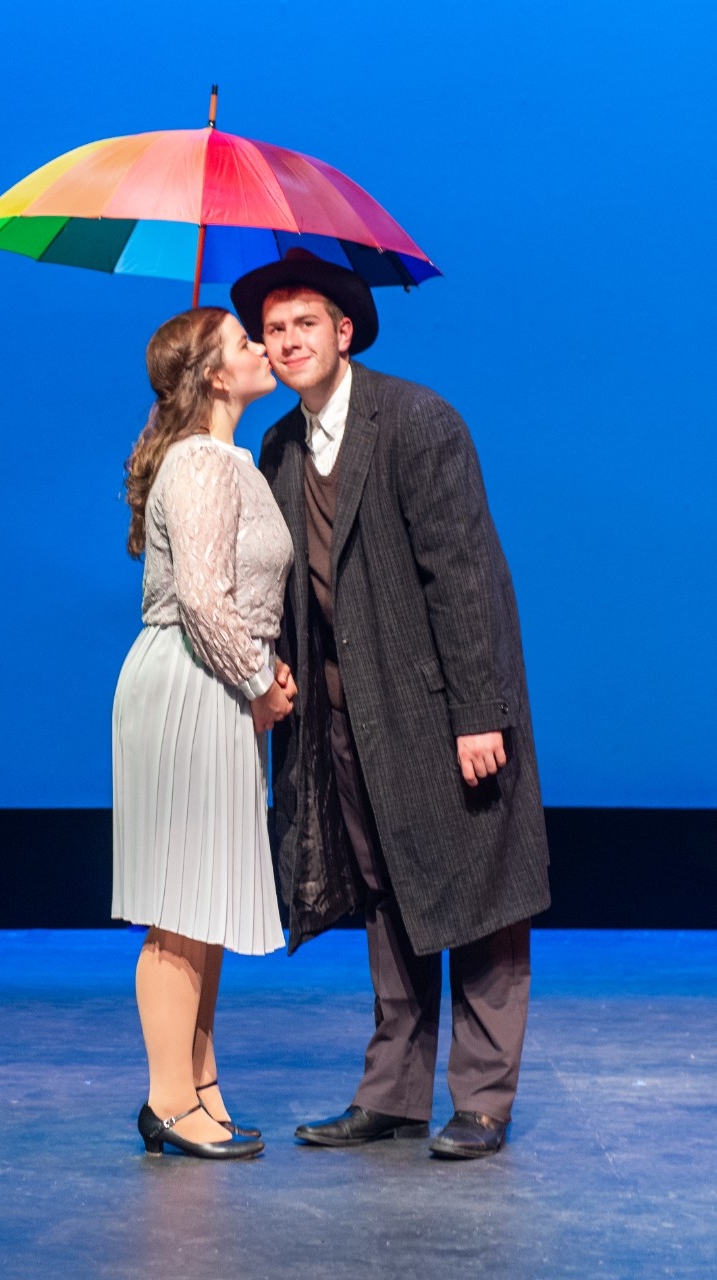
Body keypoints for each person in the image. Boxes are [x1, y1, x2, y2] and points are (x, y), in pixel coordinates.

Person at [230, 252, 551, 1159]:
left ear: (344, 331)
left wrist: (478, 712)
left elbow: (464, 574)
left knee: (479, 894)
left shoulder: (416, 421)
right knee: (387, 896)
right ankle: (394, 1093)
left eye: (305, 323)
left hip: (438, 706)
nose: (287, 341)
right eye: (274, 329)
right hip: (344, 716)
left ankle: (483, 1098)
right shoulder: (282, 448)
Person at [111, 307, 295, 1161]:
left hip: (214, 683)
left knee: (204, 901)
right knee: (179, 908)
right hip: (194, 681)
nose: (262, 348)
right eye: (244, 341)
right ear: (216, 375)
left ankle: (199, 1088)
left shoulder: (227, 459)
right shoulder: (201, 462)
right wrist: (260, 684)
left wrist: (258, 677)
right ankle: (167, 1101)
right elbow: (203, 601)